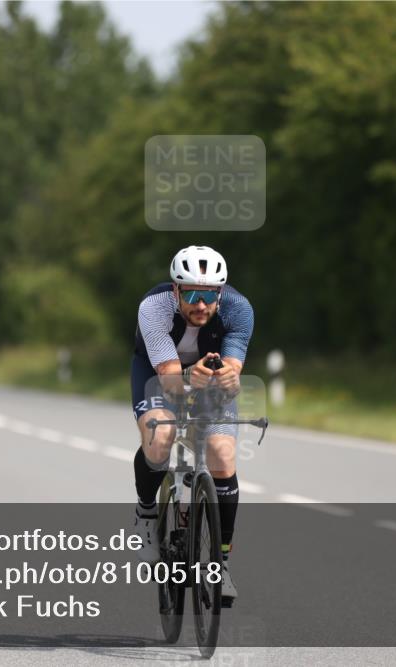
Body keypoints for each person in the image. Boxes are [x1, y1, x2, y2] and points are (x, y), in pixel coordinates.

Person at [130, 245, 253, 605]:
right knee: (161, 435)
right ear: (176, 291)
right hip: (156, 371)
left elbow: (233, 370)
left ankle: (221, 563)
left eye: (210, 294)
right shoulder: (152, 307)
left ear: (221, 292)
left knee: (222, 454)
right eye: (192, 294)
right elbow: (169, 380)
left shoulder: (239, 309)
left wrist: (228, 380)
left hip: (207, 376)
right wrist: (187, 376)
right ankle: (145, 511)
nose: (201, 304)